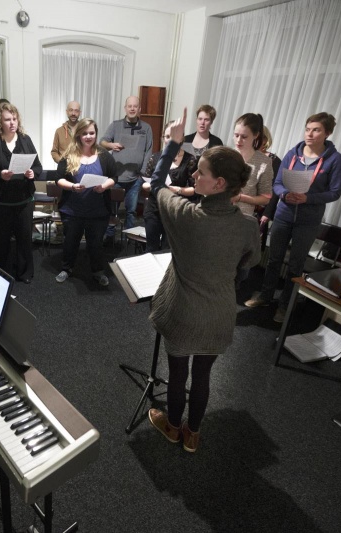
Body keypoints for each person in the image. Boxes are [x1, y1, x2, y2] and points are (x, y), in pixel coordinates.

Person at [146, 108, 260, 453]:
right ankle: (193, 435)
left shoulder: (185, 215)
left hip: (183, 312)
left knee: (178, 376)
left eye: (202, 172)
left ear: (219, 183)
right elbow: (248, 266)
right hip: (221, 313)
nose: (194, 174)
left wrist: (173, 143)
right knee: (204, 376)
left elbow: (155, 185)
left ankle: (172, 426)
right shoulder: (247, 226)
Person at [245, 112, 341, 323]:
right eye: (308, 129)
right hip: (284, 214)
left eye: (316, 130)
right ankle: (265, 295)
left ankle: (284, 305)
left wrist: (308, 198)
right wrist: (284, 194)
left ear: (327, 132)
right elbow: (277, 182)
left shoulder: (334, 159)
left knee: (296, 264)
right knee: (273, 259)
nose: (310, 134)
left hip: (308, 220)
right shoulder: (293, 154)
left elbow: (335, 192)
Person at [0, 102, 42, 284]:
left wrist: (32, 173)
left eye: (14, 119)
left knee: (24, 238)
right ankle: (0, 275)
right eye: (7, 120)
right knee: (0, 240)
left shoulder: (25, 139)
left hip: (24, 199)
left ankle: (24, 273)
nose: (12, 123)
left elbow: (38, 166)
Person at [54, 118, 117, 286]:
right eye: (85, 133)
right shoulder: (69, 155)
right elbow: (58, 179)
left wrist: (104, 186)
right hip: (73, 210)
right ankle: (66, 269)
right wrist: (73, 186)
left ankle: (98, 271)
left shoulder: (103, 155)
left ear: (96, 134)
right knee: (70, 242)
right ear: (79, 135)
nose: (88, 136)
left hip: (98, 211)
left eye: (92, 133)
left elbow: (114, 177)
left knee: (96, 244)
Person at [100, 96, 152, 243]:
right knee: (112, 210)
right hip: (116, 177)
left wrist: (142, 174)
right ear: (125, 108)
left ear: (139, 109)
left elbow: (148, 151)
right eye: (129, 106)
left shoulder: (146, 128)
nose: (132, 108)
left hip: (135, 178)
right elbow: (102, 142)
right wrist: (111, 145)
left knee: (131, 211)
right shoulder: (116, 125)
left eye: (135, 106)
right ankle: (109, 236)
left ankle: (130, 238)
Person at [141, 121, 198, 252]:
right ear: (163, 138)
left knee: (169, 249)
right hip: (154, 209)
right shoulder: (155, 157)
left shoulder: (190, 160)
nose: (169, 140)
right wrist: (152, 186)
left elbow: (194, 190)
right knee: (151, 248)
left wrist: (177, 189)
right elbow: (144, 182)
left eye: (173, 137)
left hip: (175, 210)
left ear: (181, 138)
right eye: (167, 137)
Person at [231, 113, 273, 217]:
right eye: (236, 135)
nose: (238, 140)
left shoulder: (264, 162)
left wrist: (240, 197)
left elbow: (265, 198)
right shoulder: (226, 154)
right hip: (218, 212)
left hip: (241, 217)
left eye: (244, 137)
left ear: (256, 135)